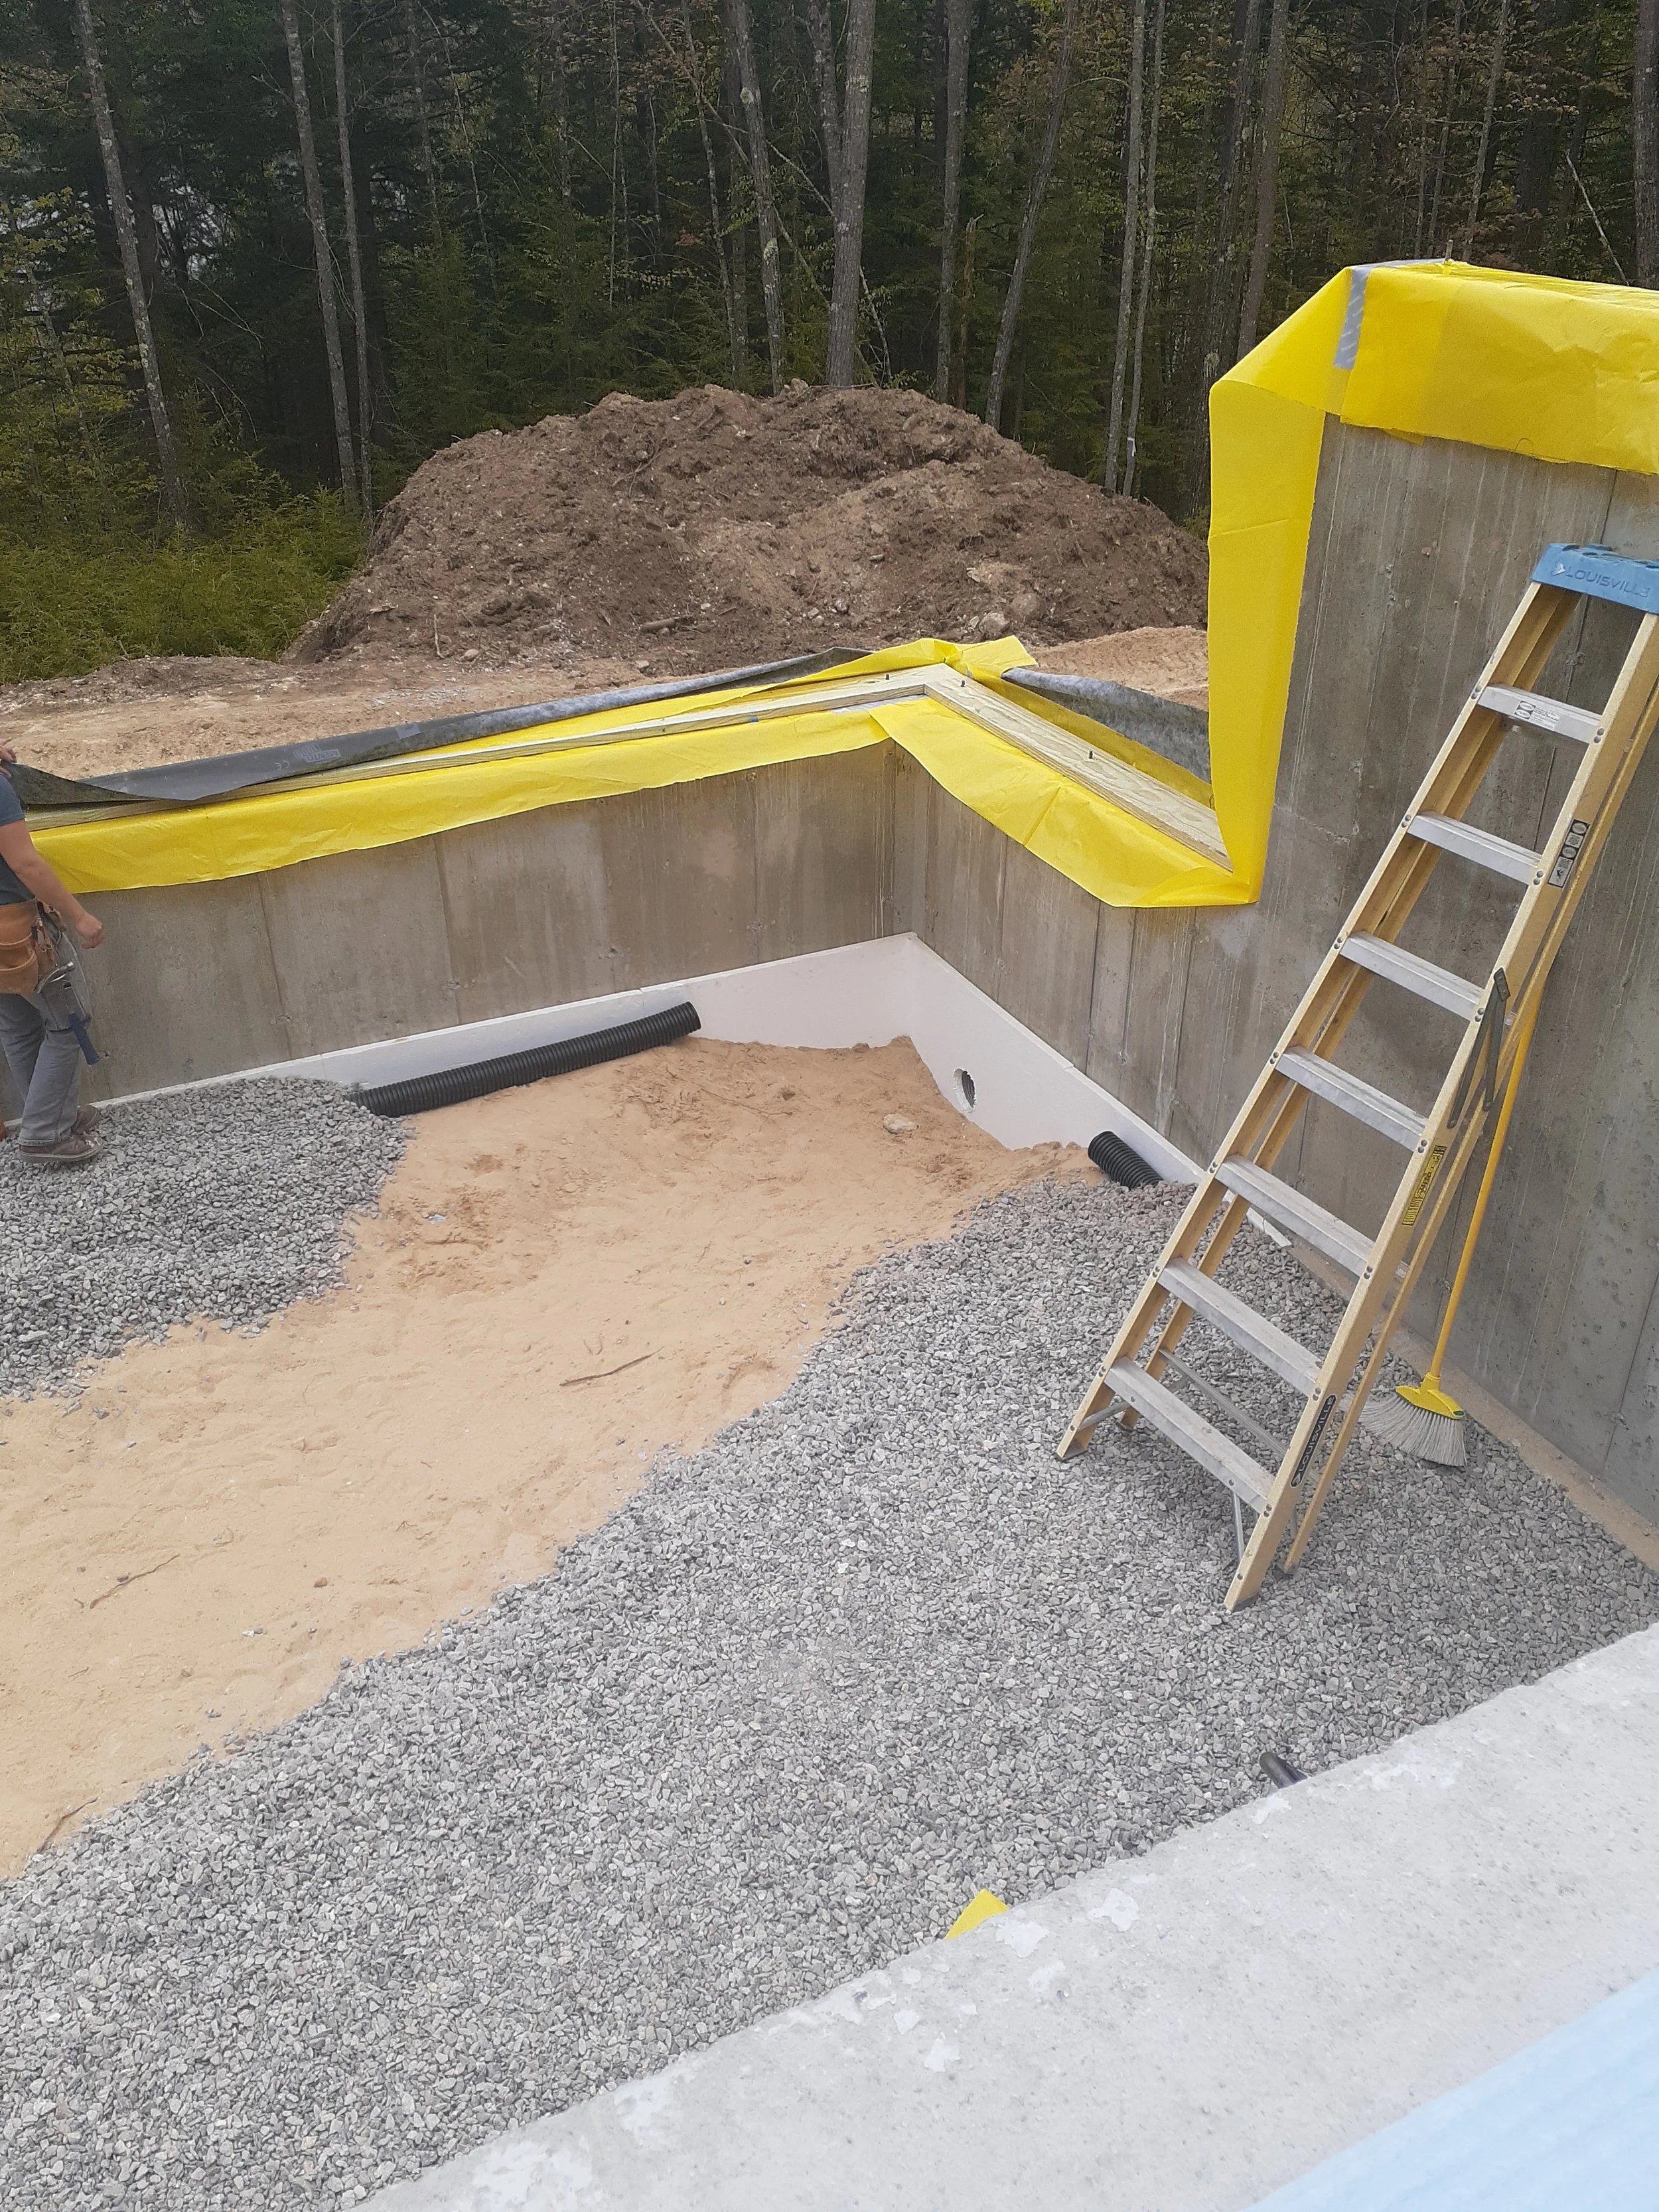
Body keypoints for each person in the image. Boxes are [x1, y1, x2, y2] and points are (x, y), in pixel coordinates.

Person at [0, 741, 104, 1166]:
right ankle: (45, 1135)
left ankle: (48, 1116)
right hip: (17, 931)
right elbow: (26, 864)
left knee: (20, 1027)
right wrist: (77, 916)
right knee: (69, 1023)